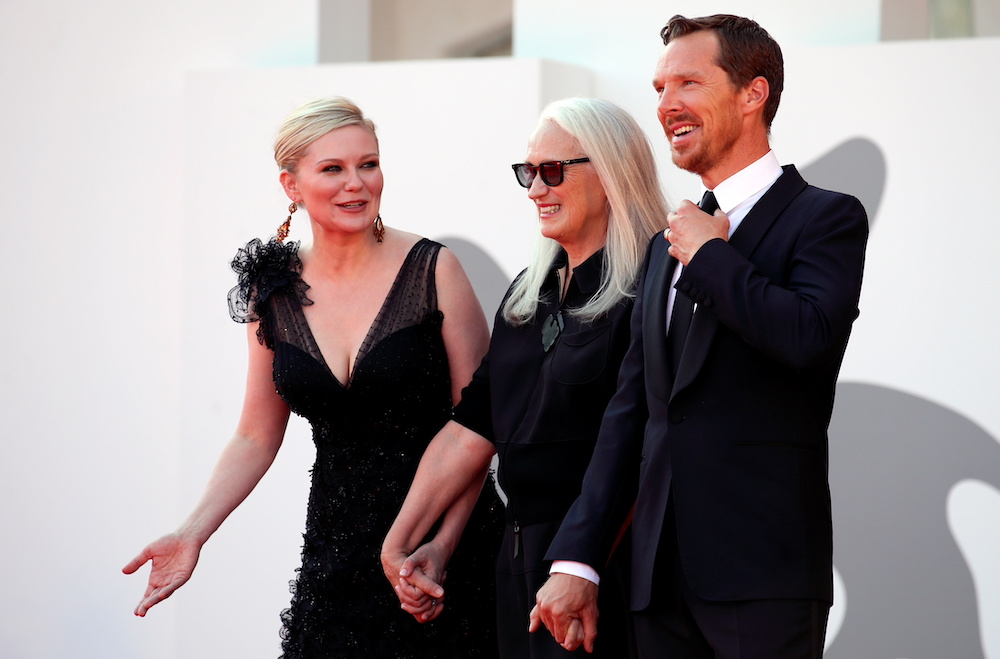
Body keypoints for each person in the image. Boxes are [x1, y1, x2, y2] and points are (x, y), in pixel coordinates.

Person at [530, 14, 869, 658]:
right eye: (659, 88)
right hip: (655, 580)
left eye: (687, 82)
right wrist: (578, 557)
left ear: (752, 94)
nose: (665, 106)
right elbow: (633, 412)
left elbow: (810, 339)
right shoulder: (669, 241)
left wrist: (713, 258)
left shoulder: (824, 216)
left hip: (762, 577)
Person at [123, 97, 503, 658]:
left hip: (448, 552)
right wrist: (192, 532)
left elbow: (480, 421)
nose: (357, 183)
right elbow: (255, 433)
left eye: (368, 164)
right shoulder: (271, 292)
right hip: (337, 556)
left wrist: (443, 545)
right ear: (291, 185)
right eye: (333, 169)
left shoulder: (434, 269)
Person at [380, 97, 669, 658]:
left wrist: (582, 563)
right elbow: (472, 425)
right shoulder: (525, 294)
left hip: (605, 564)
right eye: (527, 172)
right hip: (517, 562)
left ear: (611, 171)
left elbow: (647, 444)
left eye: (553, 171)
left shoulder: (652, 286)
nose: (535, 189)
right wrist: (408, 541)